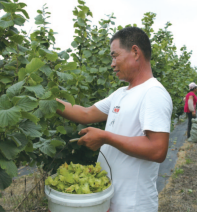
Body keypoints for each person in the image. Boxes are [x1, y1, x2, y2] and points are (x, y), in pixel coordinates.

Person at [56, 27, 173, 212]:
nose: (112, 64)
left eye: (115, 55)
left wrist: (105, 137)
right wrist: (48, 101)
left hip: (133, 205)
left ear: (135, 52)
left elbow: (157, 150)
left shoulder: (153, 93)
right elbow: (86, 114)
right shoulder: (120, 94)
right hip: (110, 200)